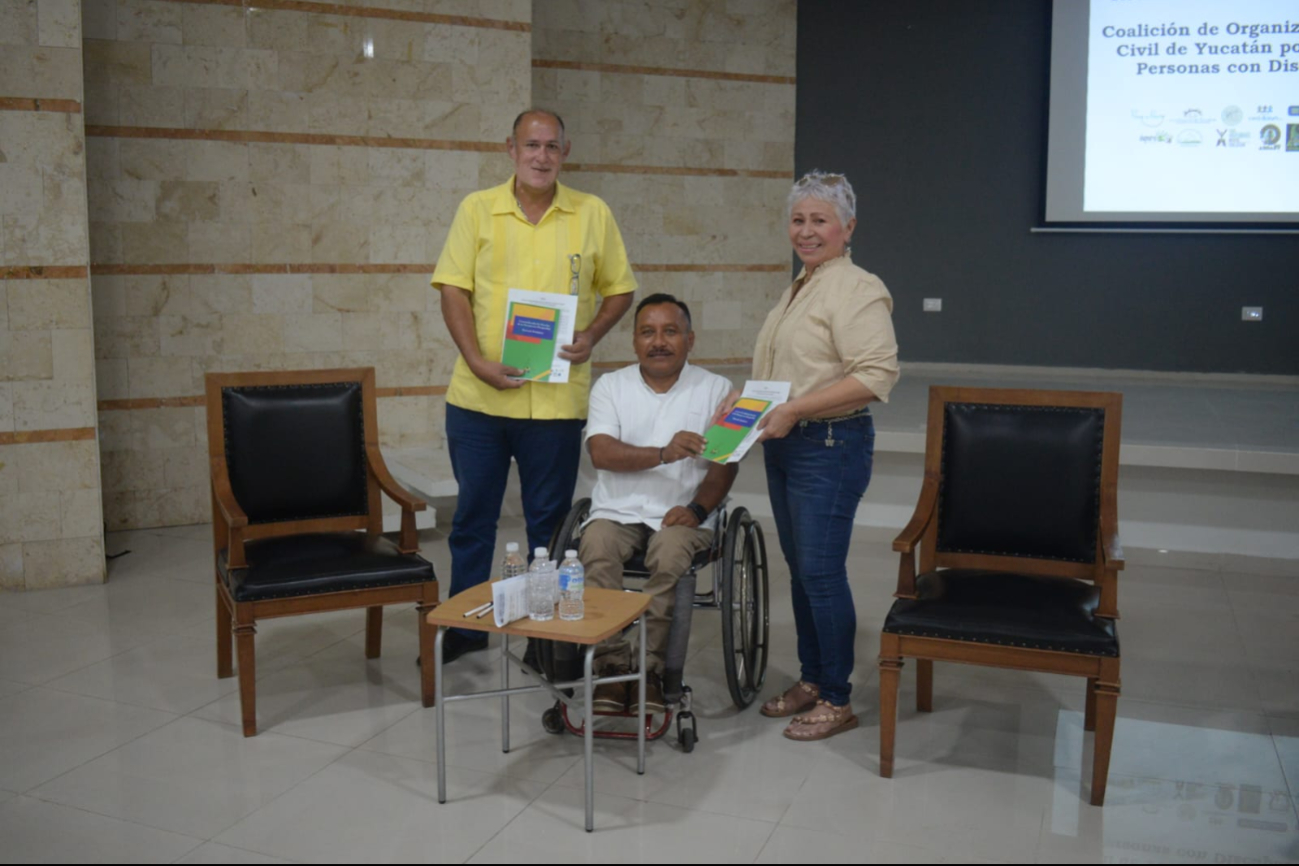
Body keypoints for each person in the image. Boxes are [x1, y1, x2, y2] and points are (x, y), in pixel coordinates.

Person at [430, 109, 637, 663]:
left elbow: (620, 290)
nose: (541, 156)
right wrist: (475, 361)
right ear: (511, 149)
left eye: (552, 146)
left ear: (565, 152)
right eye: (531, 145)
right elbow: (452, 289)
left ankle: (546, 639)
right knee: (474, 517)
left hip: (554, 403)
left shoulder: (592, 213)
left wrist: (592, 334)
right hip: (479, 399)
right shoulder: (477, 209)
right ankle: (468, 629)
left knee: (550, 523)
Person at [748, 171, 899, 740]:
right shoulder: (803, 284)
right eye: (798, 219)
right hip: (789, 443)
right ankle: (813, 678)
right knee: (802, 569)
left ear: (848, 227)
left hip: (830, 445)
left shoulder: (856, 287)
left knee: (820, 572)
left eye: (819, 220)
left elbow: (877, 375)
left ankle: (837, 698)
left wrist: (795, 409)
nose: (806, 232)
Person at [579, 294, 737, 715]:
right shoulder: (610, 386)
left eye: (671, 331)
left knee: (668, 555)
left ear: (690, 339)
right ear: (633, 342)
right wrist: (664, 453)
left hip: (683, 513)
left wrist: (699, 511)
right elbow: (602, 453)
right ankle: (612, 668)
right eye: (648, 332)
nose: (659, 341)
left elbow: (723, 466)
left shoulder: (716, 389)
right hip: (617, 510)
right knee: (595, 547)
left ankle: (649, 671)